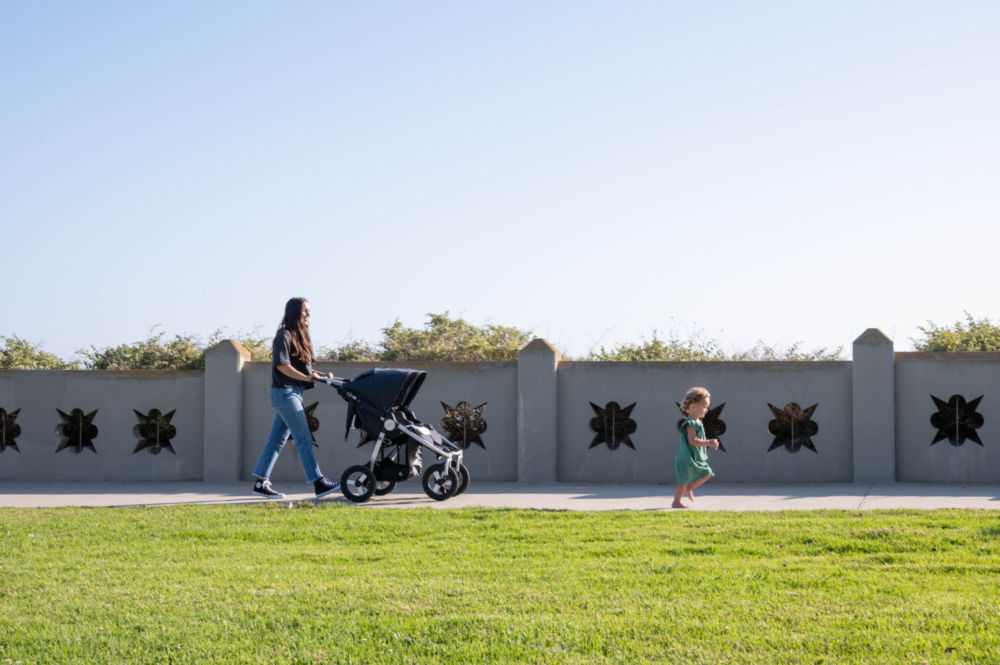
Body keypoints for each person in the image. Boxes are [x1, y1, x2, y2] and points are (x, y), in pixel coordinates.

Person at [251, 297, 341, 499]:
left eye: (309, 311)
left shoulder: (299, 336)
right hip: (284, 393)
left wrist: (321, 374)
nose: (309, 314)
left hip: (293, 393)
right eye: (305, 311)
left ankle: (260, 482)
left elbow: (301, 367)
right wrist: (308, 377)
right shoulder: (283, 335)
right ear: (295, 313)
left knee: (276, 441)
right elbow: (282, 366)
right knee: (303, 438)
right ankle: (319, 483)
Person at [672, 386, 719, 509]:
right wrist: (709, 442)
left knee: (707, 473)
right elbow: (693, 441)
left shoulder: (697, 421)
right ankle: (676, 502)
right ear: (692, 407)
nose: (706, 410)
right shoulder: (691, 423)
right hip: (686, 457)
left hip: (693, 457)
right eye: (704, 407)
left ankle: (689, 488)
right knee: (683, 481)